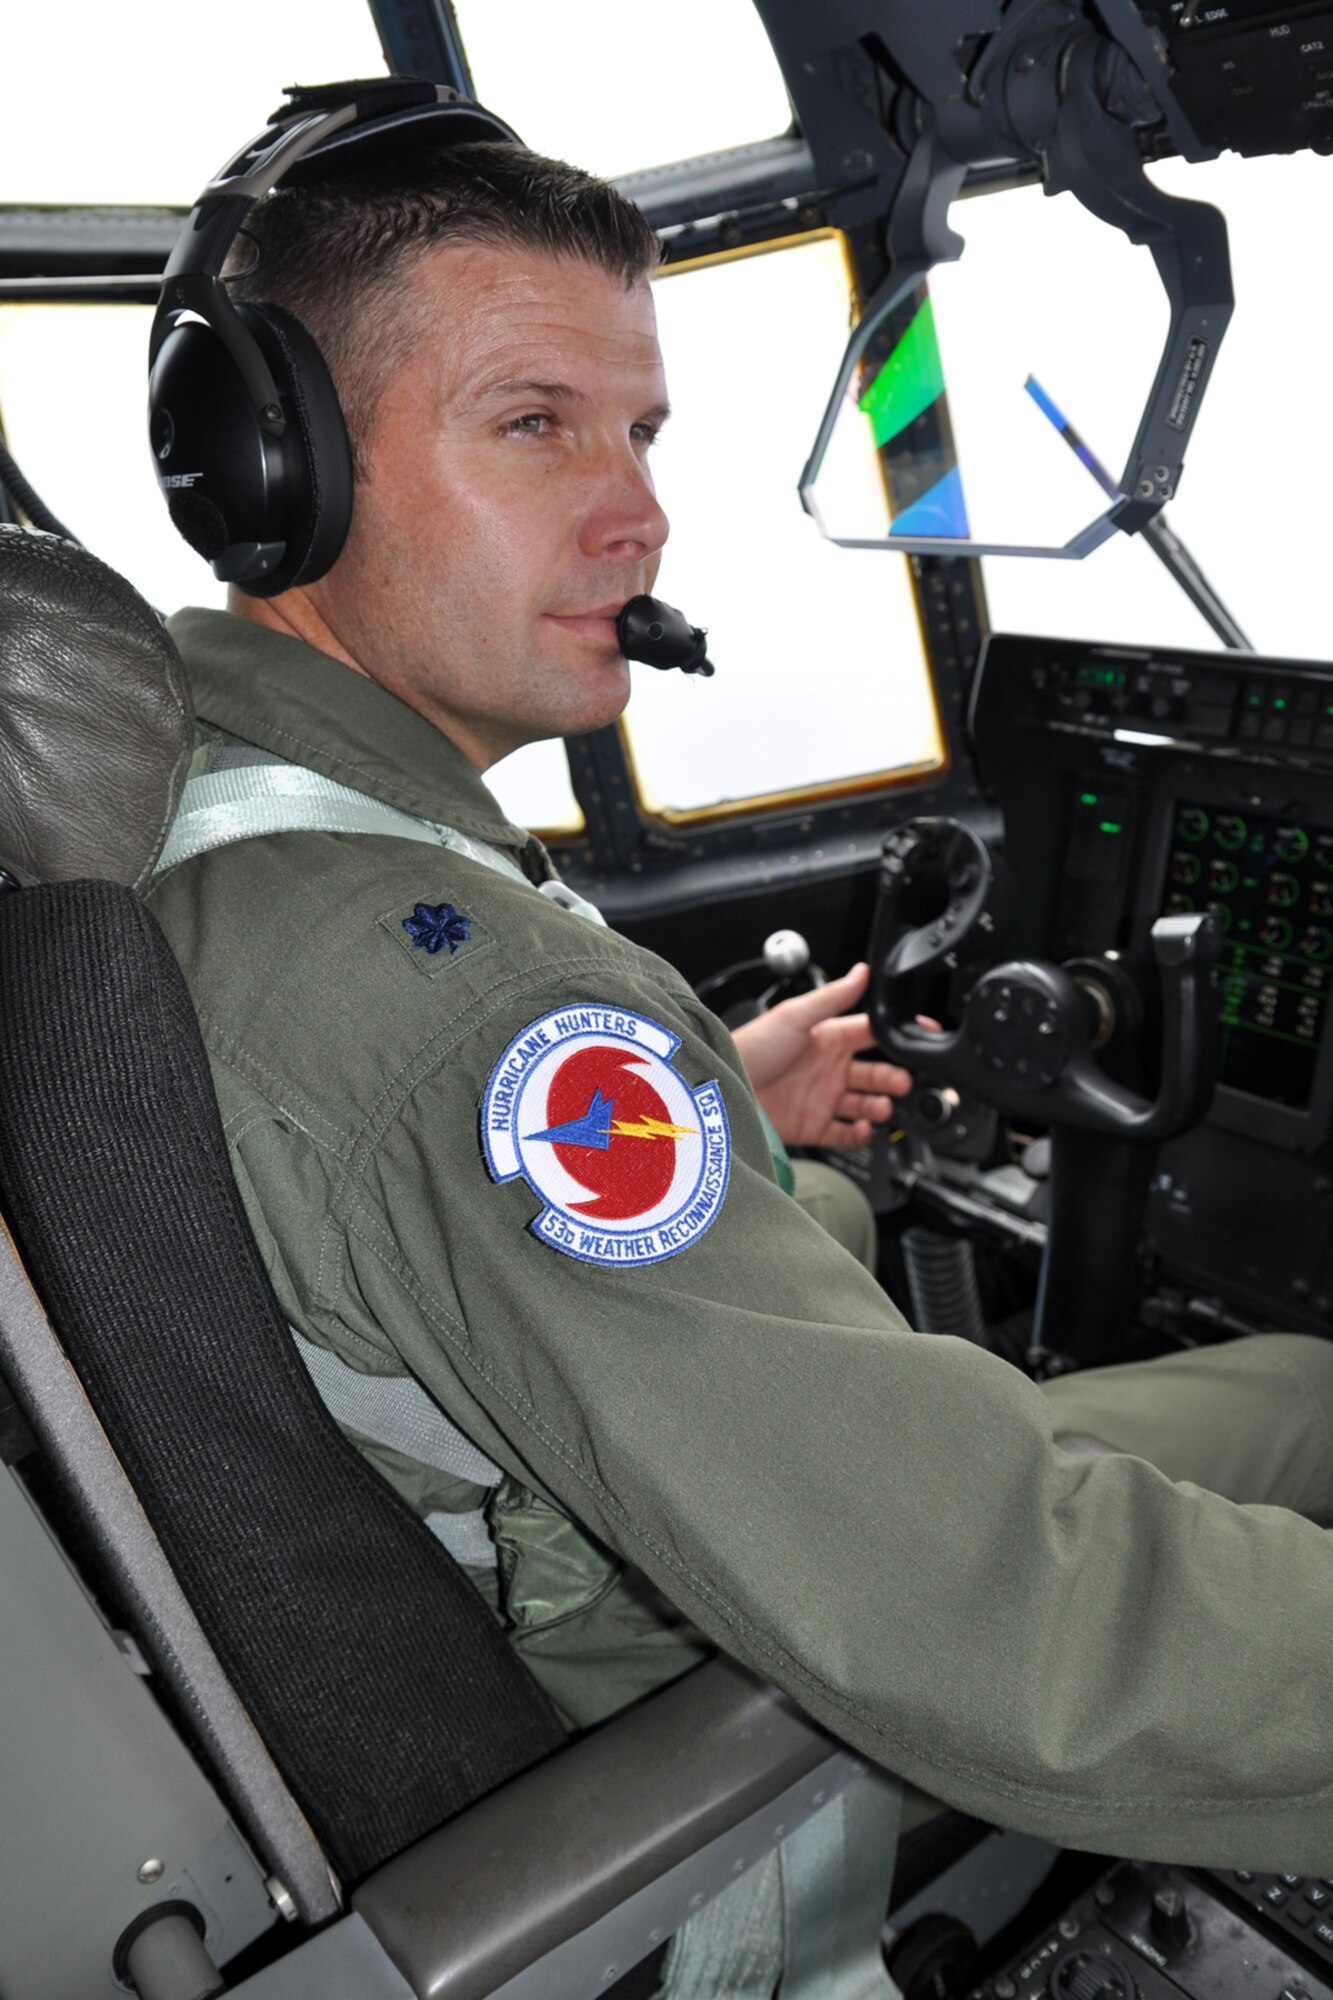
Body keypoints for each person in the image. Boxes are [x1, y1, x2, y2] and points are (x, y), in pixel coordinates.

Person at [146, 127, 1333, 1903]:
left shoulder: (224, 815)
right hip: (681, 1694)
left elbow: (432, 1217)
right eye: (534, 422)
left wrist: (716, 1099)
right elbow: (1015, 1628)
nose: (636, 513)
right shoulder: (466, 1011)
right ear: (273, 474)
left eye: (642, 433)